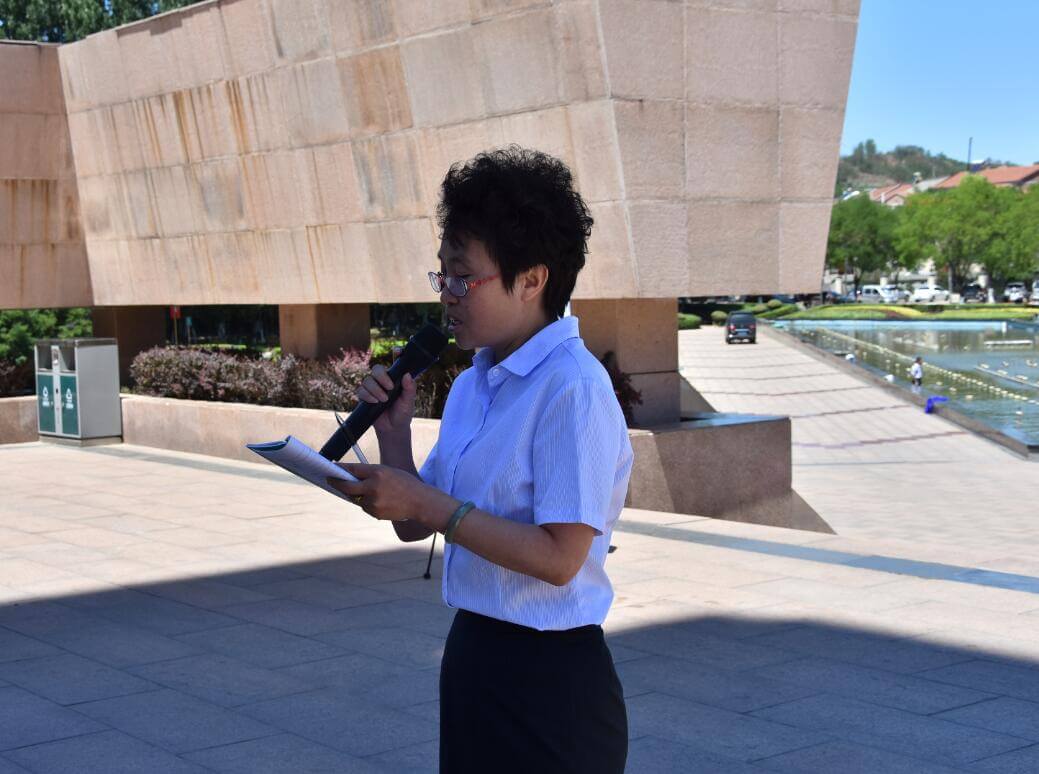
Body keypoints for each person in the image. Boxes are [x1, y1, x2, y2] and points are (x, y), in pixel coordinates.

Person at [328, 147, 632, 773]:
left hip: (552, 684)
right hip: (474, 655)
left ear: (532, 280)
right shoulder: (474, 383)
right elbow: (414, 525)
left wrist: (430, 504)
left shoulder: (572, 387)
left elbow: (560, 559)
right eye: (441, 276)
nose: (448, 295)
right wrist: (394, 438)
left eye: (463, 278)